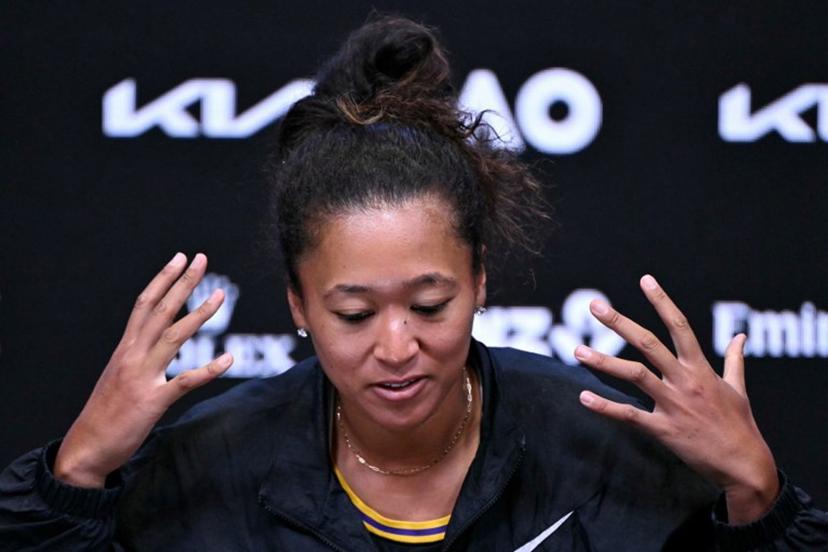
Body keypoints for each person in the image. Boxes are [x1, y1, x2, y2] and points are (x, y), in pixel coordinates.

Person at [1, 16, 826, 551]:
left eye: (430, 305)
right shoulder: (207, 468)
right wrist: (73, 479)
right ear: (297, 305)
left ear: (479, 283)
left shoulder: (602, 456)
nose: (398, 348)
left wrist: (759, 499)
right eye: (353, 313)